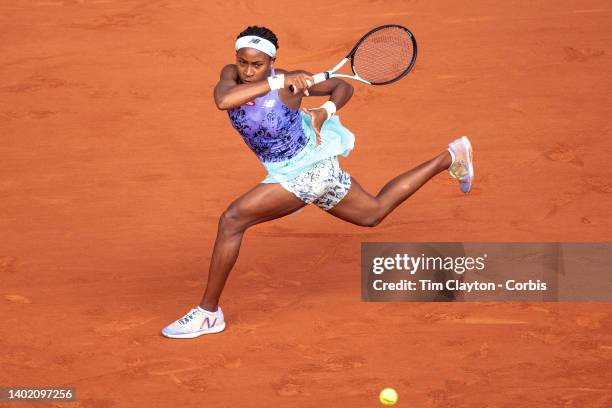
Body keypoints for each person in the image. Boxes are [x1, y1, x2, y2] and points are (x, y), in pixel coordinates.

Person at [161, 26, 474, 338]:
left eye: (258, 64)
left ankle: (208, 314)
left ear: (272, 61)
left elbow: (344, 88)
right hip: (290, 171)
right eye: (243, 62)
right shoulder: (234, 76)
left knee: (232, 220)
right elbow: (224, 101)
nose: (248, 70)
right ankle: (450, 156)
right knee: (372, 213)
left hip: (307, 170)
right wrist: (277, 80)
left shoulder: (292, 83)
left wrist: (325, 110)